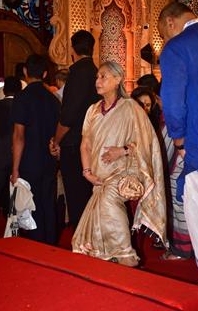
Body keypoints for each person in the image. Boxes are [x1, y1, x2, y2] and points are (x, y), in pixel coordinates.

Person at [72, 61, 167, 267]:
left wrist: (122, 151)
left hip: (122, 174)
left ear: (117, 80)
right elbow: (85, 144)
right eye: (97, 77)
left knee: (108, 203)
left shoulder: (130, 108)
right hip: (97, 177)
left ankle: (126, 257)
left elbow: (146, 143)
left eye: (103, 76)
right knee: (97, 218)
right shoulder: (93, 110)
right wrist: (87, 171)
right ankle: (108, 258)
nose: (98, 81)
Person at [158, 2, 198, 270]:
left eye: (163, 33)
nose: (165, 39)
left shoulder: (177, 47)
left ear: (171, 22)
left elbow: (173, 102)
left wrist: (179, 141)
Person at [51, 30, 100, 230]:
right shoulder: (96, 72)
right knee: (90, 195)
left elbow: (68, 116)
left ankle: (82, 240)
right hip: (95, 142)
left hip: (75, 145)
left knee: (77, 197)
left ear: (73, 50)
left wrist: (56, 140)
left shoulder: (77, 73)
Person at [11, 54, 61, 245]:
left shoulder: (22, 98)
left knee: (30, 204)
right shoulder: (53, 99)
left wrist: (15, 168)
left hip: (28, 160)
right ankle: (50, 243)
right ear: (46, 73)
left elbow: (18, 135)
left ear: (25, 71)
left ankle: (36, 245)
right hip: (49, 159)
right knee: (48, 201)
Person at [0, 76, 22, 239]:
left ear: (4, 90)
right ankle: (15, 233)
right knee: (15, 198)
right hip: (18, 157)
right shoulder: (22, 106)